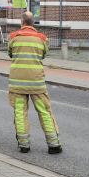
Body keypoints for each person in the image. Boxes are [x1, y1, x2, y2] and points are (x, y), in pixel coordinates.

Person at [7, 11, 62, 154]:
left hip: (17, 83)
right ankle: (54, 145)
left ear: (22, 22)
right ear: (34, 23)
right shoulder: (43, 38)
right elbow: (43, 55)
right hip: (36, 83)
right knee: (44, 111)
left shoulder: (13, 37)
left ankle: (24, 145)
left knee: (20, 113)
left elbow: (10, 53)